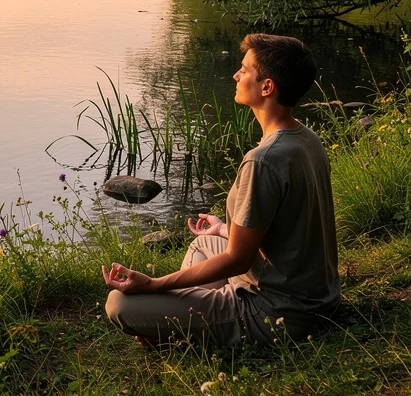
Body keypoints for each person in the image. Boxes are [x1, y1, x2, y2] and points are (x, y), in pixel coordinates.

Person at [103, 34, 340, 347]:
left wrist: (155, 284)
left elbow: (238, 261)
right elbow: (287, 231)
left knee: (118, 305)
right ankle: (184, 323)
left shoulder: (263, 160)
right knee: (205, 243)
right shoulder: (306, 139)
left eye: (244, 70)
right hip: (317, 298)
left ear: (267, 87)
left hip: (277, 313)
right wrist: (226, 228)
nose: (236, 75)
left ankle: (181, 329)